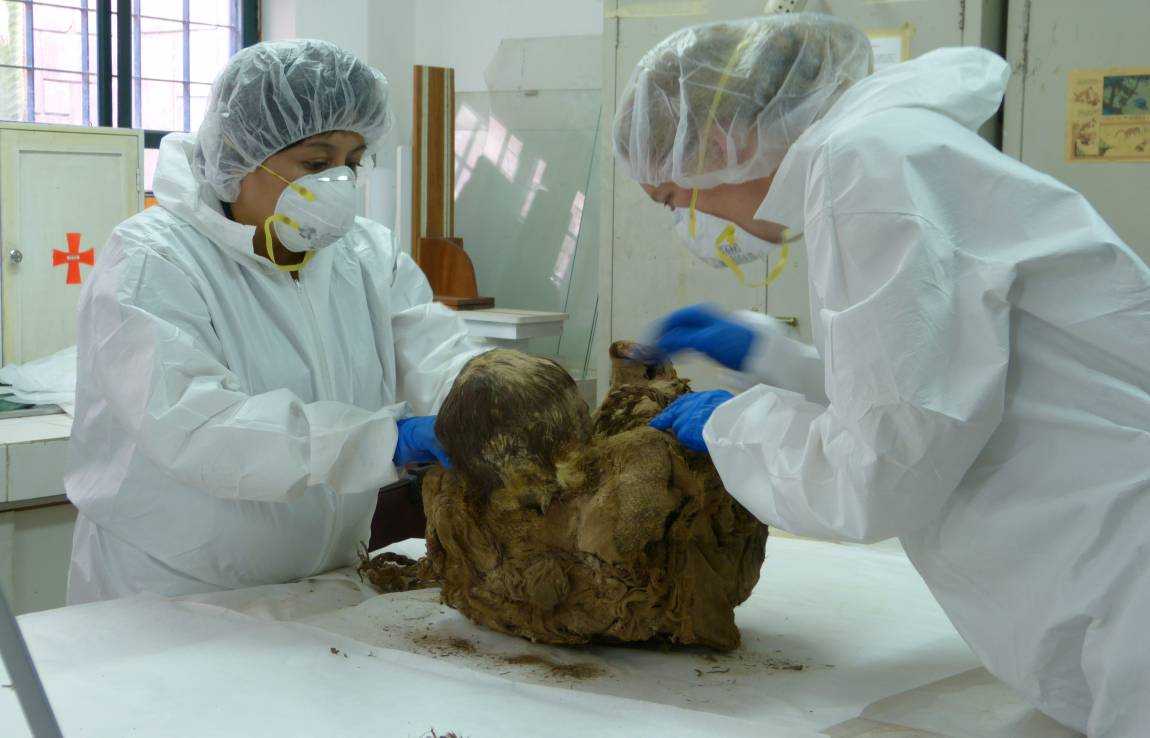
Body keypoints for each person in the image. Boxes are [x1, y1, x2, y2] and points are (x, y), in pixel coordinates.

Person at [614, 13, 1150, 738]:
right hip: (1103, 568)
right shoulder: (894, 149)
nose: (685, 222)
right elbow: (937, 387)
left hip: (1124, 581)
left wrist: (733, 425)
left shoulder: (863, 168)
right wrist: (770, 358)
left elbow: (879, 471)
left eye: (672, 199)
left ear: (721, 143)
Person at [65, 40, 484, 604]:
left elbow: (430, 348)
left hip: (328, 583)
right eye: (316, 163)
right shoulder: (152, 260)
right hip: (177, 594)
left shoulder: (365, 253)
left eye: (353, 162)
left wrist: (486, 400)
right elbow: (200, 429)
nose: (339, 183)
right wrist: (383, 440)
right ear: (238, 151)